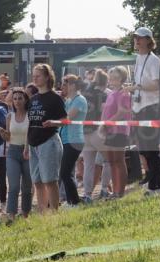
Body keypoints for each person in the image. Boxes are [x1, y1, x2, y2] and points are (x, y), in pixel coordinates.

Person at [126, 27, 160, 195]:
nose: (137, 40)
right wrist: (134, 89)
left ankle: (157, 187)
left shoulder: (154, 60)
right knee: (144, 150)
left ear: (149, 40)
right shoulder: (138, 59)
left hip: (152, 108)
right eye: (135, 38)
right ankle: (152, 183)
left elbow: (157, 85)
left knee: (151, 150)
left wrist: (137, 87)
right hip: (139, 107)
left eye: (140, 38)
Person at [27, 64, 67, 213]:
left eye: (38, 75)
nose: (35, 78)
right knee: (37, 181)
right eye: (34, 75)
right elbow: (30, 123)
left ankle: (55, 212)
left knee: (50, 180)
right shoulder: (33, 99)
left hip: (49, 141)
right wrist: (27, 146)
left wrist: (53, 122)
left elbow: (66, 120)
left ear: (47, 77)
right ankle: (43, 211)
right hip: (33, 143)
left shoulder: (55, 97)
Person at [0, 87, 32, 219]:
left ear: (25, 100)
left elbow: (31, 134)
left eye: (20, 98)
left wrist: (27, 148)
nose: (17, 101)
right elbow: (8, 137)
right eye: (15, 98)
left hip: (27, 150)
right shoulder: (9, 116)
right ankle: (11, 215)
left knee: (27, 186)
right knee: (13, 185)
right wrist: (3, 133)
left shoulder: (30, 115)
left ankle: (25, 214)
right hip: (12, 151)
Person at [101, 66, 133, 197]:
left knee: (119, 161)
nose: (112, 79)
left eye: (115, 77)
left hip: (119, 130)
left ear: (122, 78)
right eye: (111, 76)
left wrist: (107, 124)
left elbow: (121, 112)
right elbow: (106, 112)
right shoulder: (111, 93)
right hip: (109, 130)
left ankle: (120, 192)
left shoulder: (124, 92)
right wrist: (103, 125)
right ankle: (115, 191)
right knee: (111, 161)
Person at [80, 70, 110, 202]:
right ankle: (104, 189)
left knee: (88, 165)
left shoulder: (85, 94)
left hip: (85, 131)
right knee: (109, 161)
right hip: (98, 131)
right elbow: (105, 112)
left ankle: (87, 194)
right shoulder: (103, 95)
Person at [57, 74, 86, 207]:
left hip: (74, 140)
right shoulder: (68, 101)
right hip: (66, 140)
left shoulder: (80, 100)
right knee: (66, 172)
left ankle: (74, 202)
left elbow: (67, 118)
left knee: (65, 173)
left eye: (65, 84)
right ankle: (71, 200)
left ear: (73, 85)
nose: (62, 87)